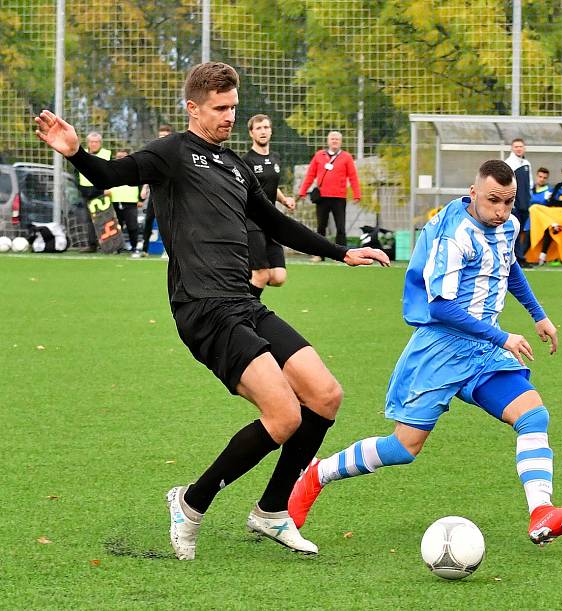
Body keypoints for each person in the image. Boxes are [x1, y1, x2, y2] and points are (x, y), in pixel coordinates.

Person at [35, 62, 389, 561]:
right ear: (193, 107)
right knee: (284, 414)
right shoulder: (173, 153)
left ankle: (271, 511)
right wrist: (76, 152)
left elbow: (276, 223)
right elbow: (113, 174)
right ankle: (190, 503)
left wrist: (341, 251)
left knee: (326, 396)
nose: (229, 117)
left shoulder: (236, 165)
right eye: (220, 109)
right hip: (203, 308)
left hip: (244, 301)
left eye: (233, 108)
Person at [288, 160, 562, 547]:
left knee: (533, 415)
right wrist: (502, 337)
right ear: (473, 193)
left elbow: (508, 266)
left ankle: (541, 513)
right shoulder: (456, 236)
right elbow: (440, 308)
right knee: (403, 448)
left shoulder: (509, 225)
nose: (500, 211)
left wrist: (539, 315)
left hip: (483, 351)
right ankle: (317, 474)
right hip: (440, 350)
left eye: (508, 202)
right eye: (492, 201)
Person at [242, 114, 295, 297]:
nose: (263, 131)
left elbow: (271, 186)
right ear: (251, 133)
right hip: (253, 223)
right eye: (258, 128)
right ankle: (245, 311)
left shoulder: (275, 158)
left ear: (271, 130)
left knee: (278, 277)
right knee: (262, 275)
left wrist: (284, 199)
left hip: (270, 223)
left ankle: (243, 277)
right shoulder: (246, 161)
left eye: (266, 127)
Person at [298, 131, 361, 260]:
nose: (334, 141)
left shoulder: (346, 157)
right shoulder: (319, 156)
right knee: (321, 227)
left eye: (337, 139)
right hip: (322, 197)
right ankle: (319, 254)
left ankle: (342, 255)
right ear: (328, 141)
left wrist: (357, 194)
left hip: (339, 197)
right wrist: (302, 191)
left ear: (341, 142)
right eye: (332, 139)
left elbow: (353, 177)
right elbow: (310, 174)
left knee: (340, 227)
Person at [141, 123, 173, 257]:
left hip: (170, 194)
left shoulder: (175, 153)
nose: (162, 138)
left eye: (165, 136)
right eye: (160, 136)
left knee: (168, 221)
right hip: (155, 193)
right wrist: (144, 187)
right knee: (148, 219)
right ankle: (144, 249)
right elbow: (149, 171)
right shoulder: (154, 152)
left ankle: (169, 250)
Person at [76, 131, 112, 253]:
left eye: (96, 142)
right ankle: (92, 245)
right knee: (89, 219)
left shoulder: (107, 154)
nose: (94, 144)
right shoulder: (82, 154)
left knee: (104, 219)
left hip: (100, 190)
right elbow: (76, 172)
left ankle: (107, 245)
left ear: (100, 143)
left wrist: (109, 187)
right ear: (88, 143)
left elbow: (112, 172)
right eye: (92, 142)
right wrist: (79, 187)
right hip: (86, 191)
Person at [504, 138, 532, 266]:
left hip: (525, 203)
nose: (519, 149)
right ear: (512, 148)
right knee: (514, 230)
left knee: (520, 231)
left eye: (521, 146)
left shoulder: (526, 163)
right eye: (516, 146)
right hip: (515, 204)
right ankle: (518, 259)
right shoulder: (509, 163)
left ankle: (518, 257)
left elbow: (529, 183)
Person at [108, 149, 141, 255]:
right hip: (115, 201)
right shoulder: (111, 169)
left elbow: (141, 183)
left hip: (130, 202)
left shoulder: (135, 169)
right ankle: (117, 248)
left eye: (123, 156)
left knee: (132, 226)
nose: (120, 159)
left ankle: (134, 247)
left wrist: (141, 199)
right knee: (117, 227)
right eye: (118, 156)